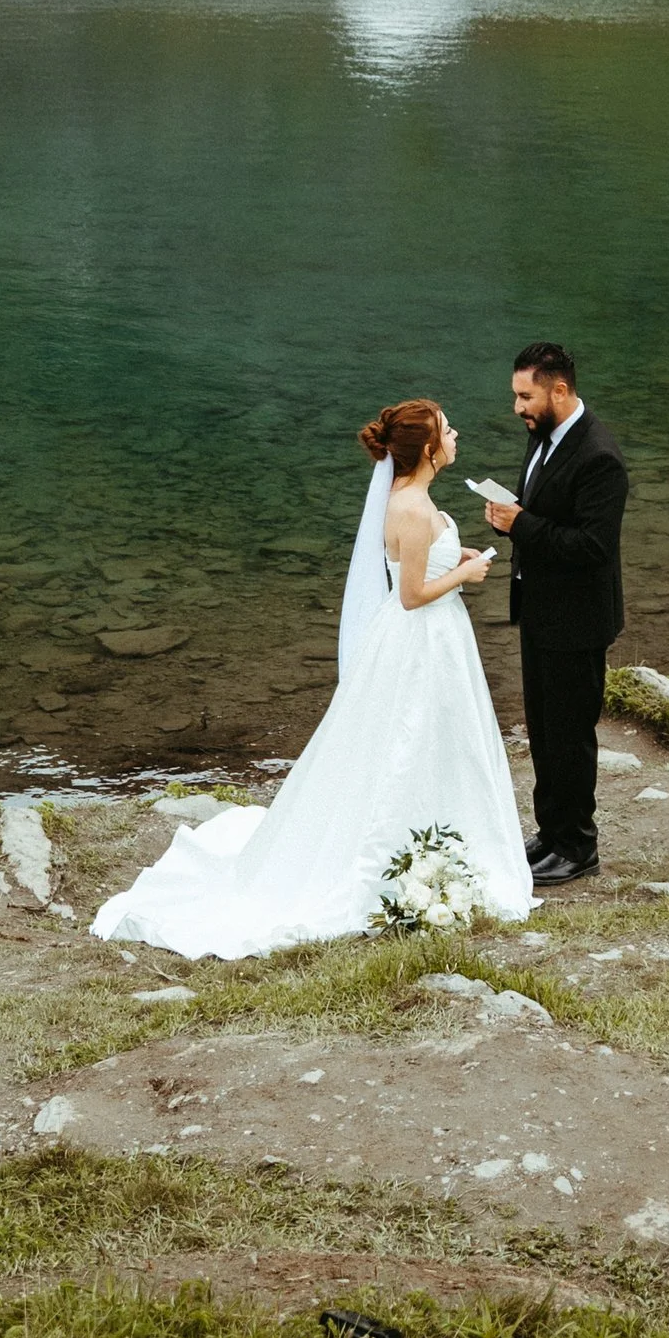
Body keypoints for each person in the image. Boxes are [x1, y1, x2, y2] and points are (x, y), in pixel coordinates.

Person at [90, 400, 534, 959]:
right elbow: (412, 594)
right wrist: (466, 572)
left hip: (426, 642)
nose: (456, 434)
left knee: (427, 738)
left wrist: (454, 555)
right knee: (413, 738)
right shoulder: (414, 507)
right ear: (428, 449)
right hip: (422, 639)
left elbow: (410, 562)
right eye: (447, 429)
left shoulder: (410, 500)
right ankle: (409, 848)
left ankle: (432, 839)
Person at [477, 341, 628, 888]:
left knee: (570, 733)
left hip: (578, 620)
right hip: (542, 612)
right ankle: (550, 832)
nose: (517, 406)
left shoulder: (599, 458)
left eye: (525, 395)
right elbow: (543, 511)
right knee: (543, 730)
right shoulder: (544, 436)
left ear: (558, 390)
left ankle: (578, 846)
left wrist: (521, 525)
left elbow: (592, 548)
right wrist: (510, 519)